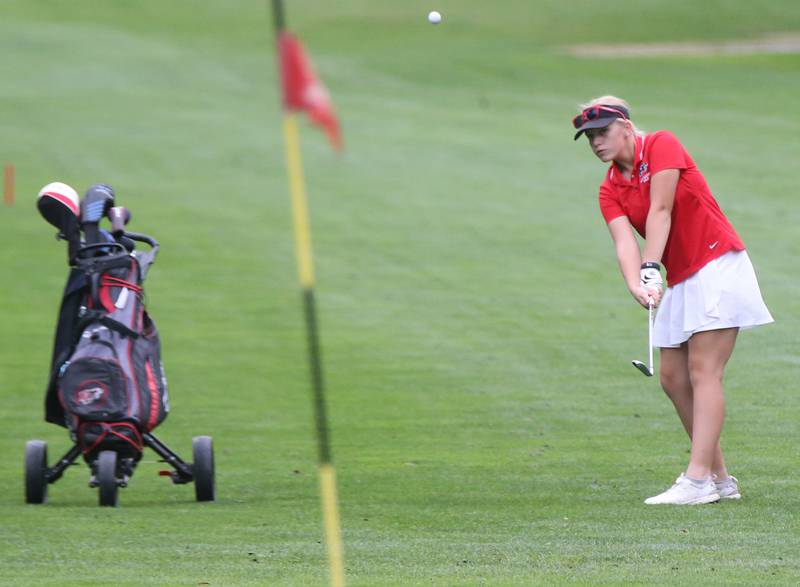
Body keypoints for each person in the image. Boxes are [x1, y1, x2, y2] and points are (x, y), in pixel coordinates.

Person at [573, 96, 773, 505]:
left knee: (704, 371)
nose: (596, 143)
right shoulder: (610, 187)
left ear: (626, 127)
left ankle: (697, 480)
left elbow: (661, 210)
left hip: (717, 262)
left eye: (602, 133)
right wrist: (636, 282)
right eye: (589, 137)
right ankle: (720, 480)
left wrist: (651, 266)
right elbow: (623, 241)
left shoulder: (662, 144)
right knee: (672, 377)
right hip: (682, 276)